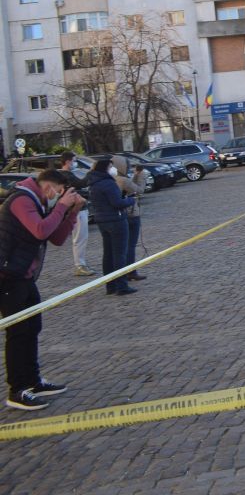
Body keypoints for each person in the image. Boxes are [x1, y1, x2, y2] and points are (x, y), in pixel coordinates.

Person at [0, 169, 83, 410]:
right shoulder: (22, 200)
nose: (60, 196)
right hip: (7, 276)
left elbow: (56, 238)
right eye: (60, 192)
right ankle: (17, 390)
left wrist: (72, 212)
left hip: (23, 276)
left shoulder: (38, 201)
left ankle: (33, 381)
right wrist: (62, 206)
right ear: (50, 187)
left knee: (32, 328)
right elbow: (40, 230)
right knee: (18, 332)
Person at [85, 156, 137, 296]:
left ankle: (110, 285)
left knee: (108, 254)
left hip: (102, 221)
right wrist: (130, 200)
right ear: (105, 168)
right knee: (119, 254)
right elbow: (117, 203)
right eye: (110, 166)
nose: (112, 169)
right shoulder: (108, 183)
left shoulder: (94, 183)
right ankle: (122, 286)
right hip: (116, 220)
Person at [59, 152, 92, 277]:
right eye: (74, 160)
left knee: (80, 237)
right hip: (77, 210)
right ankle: (80, 265)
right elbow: (82, 183)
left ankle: (81, 264)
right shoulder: (66, 175)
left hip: (76, 209)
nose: (75, 163)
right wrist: (91, 172)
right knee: (80, 237)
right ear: (68, 161)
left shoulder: (63, 175)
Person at [116, 160, 148, 282]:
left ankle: (124, 272)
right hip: (131, 214)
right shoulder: (123, 180)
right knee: (130, 245)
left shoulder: (114, 179)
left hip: (120, 214)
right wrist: (141, 175)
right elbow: (139, 190)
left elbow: (131, 186)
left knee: (123, 245)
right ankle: (131, 271)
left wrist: (135, 176)